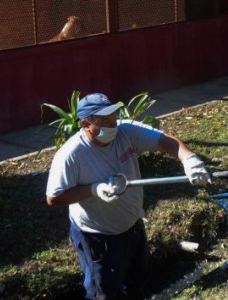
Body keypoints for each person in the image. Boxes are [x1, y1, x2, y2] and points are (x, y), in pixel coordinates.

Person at [45, 92, 211, 300]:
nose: (113, 125)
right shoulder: (72, 155)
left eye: (114, 118)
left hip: (132, 225)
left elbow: (165, 141)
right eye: (105, 122)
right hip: (97, 235)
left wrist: (189, 159)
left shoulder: (126, 131)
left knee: (137, 281)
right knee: (104, 291)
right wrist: (93, 189)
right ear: (85, 124)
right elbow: (54, 197)